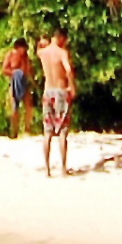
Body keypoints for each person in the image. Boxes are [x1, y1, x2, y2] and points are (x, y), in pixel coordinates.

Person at [37, 29, 76, 175]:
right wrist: (71, 86)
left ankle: (47, 169)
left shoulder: (43, 53)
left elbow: (38, 49)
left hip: (47, 92)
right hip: (60, 91)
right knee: (62, 131)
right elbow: (68, 70)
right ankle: (63, 168)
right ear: (60, 38)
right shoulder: (61, 53)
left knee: (47, 132)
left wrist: (41, 43)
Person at [0, 38, 32, 137]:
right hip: (14, 82)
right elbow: (4, 69)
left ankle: (27, 129)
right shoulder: (10, 55)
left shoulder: (25, 57)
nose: (24, 51)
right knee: (14, 106)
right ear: (18, 47)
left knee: (28, 105)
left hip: (25, 82)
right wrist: (15, 73)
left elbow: (29, 70)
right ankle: (14, 131)